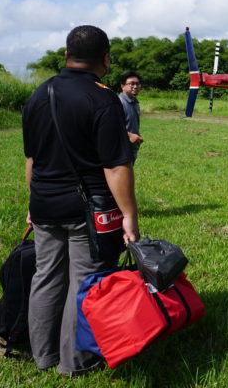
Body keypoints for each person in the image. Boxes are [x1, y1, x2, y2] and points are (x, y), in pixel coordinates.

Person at [22, 25, 139, 375]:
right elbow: (115, 166)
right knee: (85, 281)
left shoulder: (38, 94)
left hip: (44, 203)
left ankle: (43, 356)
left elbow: (31, 160)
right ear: (106, 59)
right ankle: (76, 363)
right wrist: (129, 214)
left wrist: (33, 203)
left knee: (45, 276)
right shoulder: (103, 99)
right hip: (87, 209)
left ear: (66, 55)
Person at [118, 71, 143, 164]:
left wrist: (137, 135)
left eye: (137, 84)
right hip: (121, 148)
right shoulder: (118, 103)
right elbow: (111, 126)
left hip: (132, 146)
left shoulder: (135, 102)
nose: (135, 86)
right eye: (131, 84)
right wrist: (130, 135)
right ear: (122, 86)